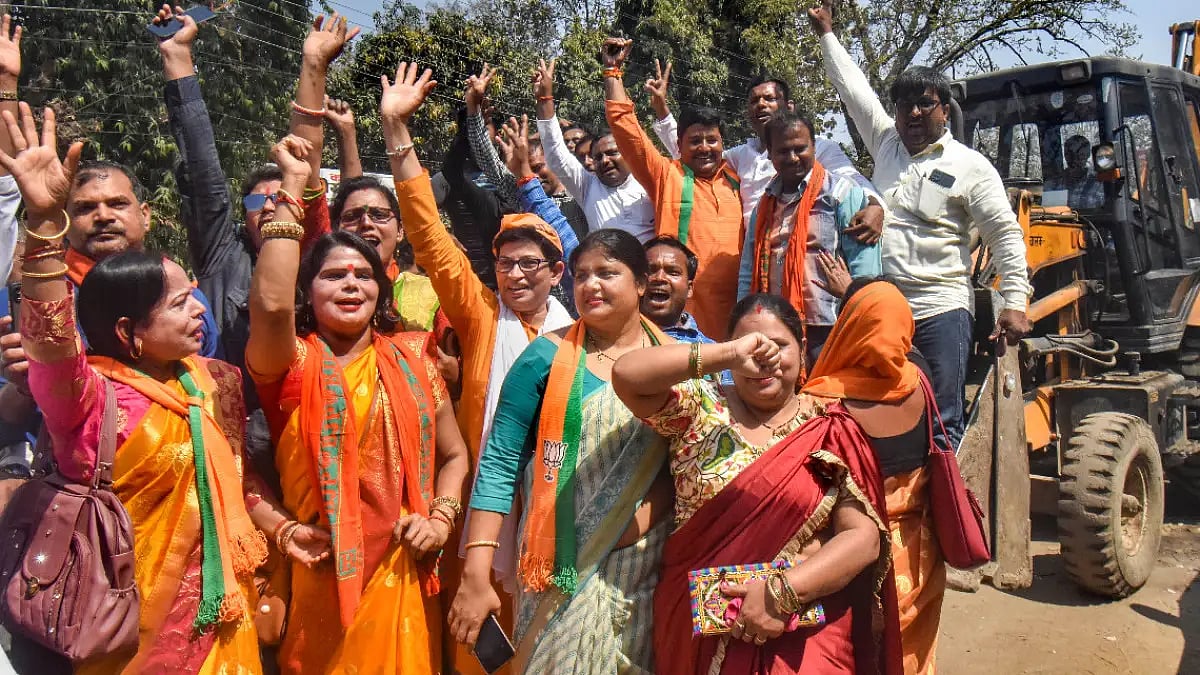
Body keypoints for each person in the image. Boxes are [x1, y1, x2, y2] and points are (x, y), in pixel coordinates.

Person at [7, 102, 267, 673]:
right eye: (179, 304)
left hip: (227, 625)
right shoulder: (91, 398)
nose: (199, 311)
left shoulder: (216, 382)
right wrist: (46, 224)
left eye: (194, 295)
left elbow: (237, 486)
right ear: (130, 331)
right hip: (128, 631)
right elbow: (50, 342)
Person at [245, 132, 470, 675]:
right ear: (308, 291)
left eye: (363, 275)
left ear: (380, 290)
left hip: (405, 572)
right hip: (321, 575)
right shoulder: (291, 364)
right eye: (332, 275)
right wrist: (293, 192)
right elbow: (271, 306)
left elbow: (456, 455)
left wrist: (440, 520)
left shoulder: (415, 357)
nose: (351, 284)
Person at [383, 62, 581, 675]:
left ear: (556, 271)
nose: (515, 274)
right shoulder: (480, 316)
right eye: (505, 263)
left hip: (558, 509)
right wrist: (397, 132)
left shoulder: (580, 333)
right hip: (482, 514)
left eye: (531, 264)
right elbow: (430, 235)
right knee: (478, 649)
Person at [611, 294, 901, 675]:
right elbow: (627, 376)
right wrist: (727, 355)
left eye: (779, 345)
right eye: (751, 345)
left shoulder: (829, 428)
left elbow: (862, 539)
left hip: (803, 631)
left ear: (802, 350)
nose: (764, 357)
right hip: (698, 630)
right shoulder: (700, 408)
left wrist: (781, 594)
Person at [809, 0, 1033, 449]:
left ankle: (947, 516)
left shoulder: (971, 166)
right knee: (882, 414)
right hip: (880, 308)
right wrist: (826, 34)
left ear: (944, 111)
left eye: (924, 104)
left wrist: (1016, 301)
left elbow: (1004, 235)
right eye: (904, 105)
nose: (913, 114)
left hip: (940, 309)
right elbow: (855, 92)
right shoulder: (886, 144)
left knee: (941, 419)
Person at [449, 228, 674, 673]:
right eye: (581, 275)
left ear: (642, 283)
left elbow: (689, 463)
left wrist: (635, 522)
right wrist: (476, 568)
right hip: (554, 568)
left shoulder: (673, 361)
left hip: (641, 567)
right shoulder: (542, 358)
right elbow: (498, 464)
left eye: (607, 273)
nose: (591, 285)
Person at [159, 5, 349, 396]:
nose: (266, 208)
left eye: (279, 198)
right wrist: (178, 59)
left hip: (300, 426)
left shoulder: (314, 258)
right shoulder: (222, 256)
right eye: (254, 202)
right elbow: (203, 175)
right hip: (225, 422)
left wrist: (314, 67)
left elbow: (307, 164)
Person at [803, 278, 944, 675]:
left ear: (847, 327)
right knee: (911, 651)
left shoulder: (820, 402)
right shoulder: (920, 381)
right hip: (917, 555)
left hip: (845, 556)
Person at [603, 38, 741, 340]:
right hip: (679, 320)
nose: (704, 148)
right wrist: (613, 73)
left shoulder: (736, 179)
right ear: (679, 145)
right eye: (695, 141)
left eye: (712, 140)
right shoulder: (667, 174)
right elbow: (627, 130)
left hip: (733, 319)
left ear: (722, 144)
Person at [649, 64, 885, 239]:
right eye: (754, 101)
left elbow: (852, 179)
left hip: (804, 249)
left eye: (769, 98)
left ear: (789, 107)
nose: (760, 104)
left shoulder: (818, 148)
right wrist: (662, 111)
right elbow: (697, 155)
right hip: (754, 257)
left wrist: (875, 206)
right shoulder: (741, 155)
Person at [738, 111, 882, 362]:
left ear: (814, 147)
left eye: (800, 148)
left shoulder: (841, 195)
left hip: (829, 327)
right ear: (770, 154)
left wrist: (861, 314)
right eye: (783, 151)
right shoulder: (765, 204)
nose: (793, 158)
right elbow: (748, 269)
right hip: (775, 328)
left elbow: (865, 269)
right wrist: (742, 320)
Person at [532, 58, 655, 241]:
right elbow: (555, 151)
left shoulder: (651, 181)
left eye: (612, 153)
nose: (605, 160)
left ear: (628, 155)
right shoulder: (588, 187)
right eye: (598, 157)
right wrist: (544, 99)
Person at [464, 65, 590, 239]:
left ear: (554, 162)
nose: (534, 176)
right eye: (528, 170)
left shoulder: (580, 190)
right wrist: (473, 108)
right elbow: (487, 158)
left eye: (538, 167)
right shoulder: (522, 197)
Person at [1044, 134, 1104, 210]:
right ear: (1065, 156)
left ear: (1088, 155)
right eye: (1070, 155)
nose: (1075, 159)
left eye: (1080, 155)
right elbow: (1045, 213)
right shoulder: (1053, 185)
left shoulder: (1099, 184)